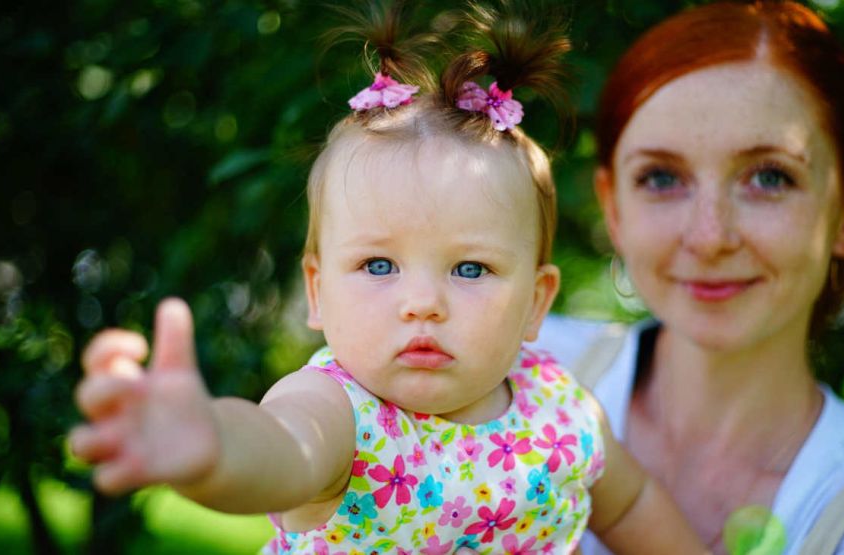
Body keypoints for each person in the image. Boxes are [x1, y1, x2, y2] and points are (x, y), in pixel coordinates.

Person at [69, 3, 706, 554]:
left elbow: (631, 505)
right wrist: (211, 446)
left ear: (536, 301)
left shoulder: (563, 407)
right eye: (378, 266)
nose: (423, 304)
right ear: (318, 291)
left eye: (470, 268)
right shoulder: (341, 413)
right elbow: (277, 450)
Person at [523, 1, 844, 554]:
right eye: (661, 177)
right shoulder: (502, 379)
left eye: (769, 177)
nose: (710, 237)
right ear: (614, 209)